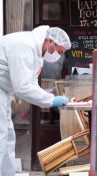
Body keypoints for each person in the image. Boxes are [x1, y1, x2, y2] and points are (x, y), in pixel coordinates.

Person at [0, 25, 71, 175]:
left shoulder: (37, 52)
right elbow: (23, 88)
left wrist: (49, 96)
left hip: (4, 92)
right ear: (51, 41)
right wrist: (51, 100)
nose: (58, 55)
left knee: (7, 136)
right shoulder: (25, 46)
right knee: (1, 135)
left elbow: (31, 83)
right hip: (1, 90)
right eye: (59, 51)